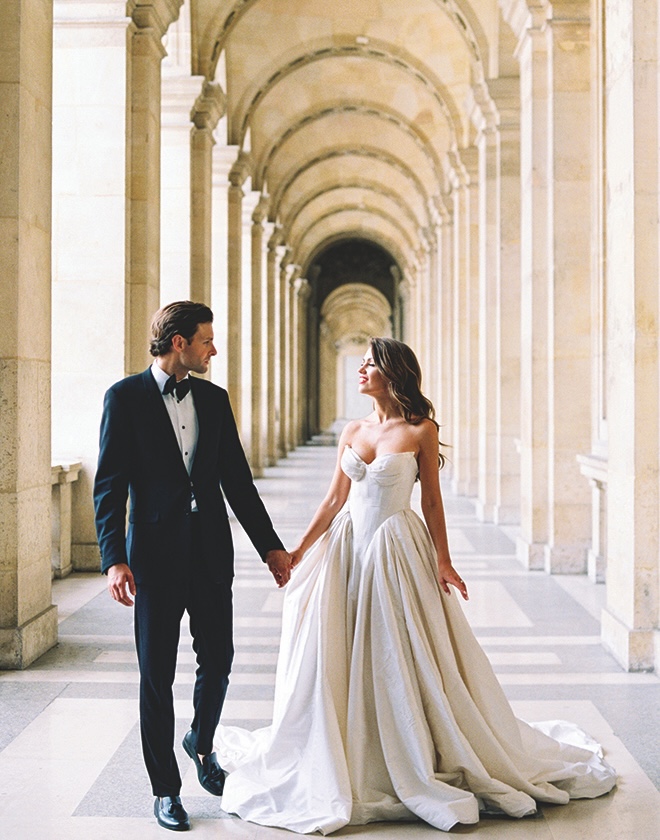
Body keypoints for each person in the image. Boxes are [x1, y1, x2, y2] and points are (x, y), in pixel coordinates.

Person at [214, 336, 616, 834]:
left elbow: (431, 504)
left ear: (393, 372)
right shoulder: (352, 428)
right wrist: (297, 551)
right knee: (339, 647)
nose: (361, 371)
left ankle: (406, 747)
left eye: (370, 365)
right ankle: (344, 743)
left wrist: (444, 562)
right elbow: (333, 499)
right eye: (359, 363)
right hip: (347, 550)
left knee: (399, 649)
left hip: (395, 548)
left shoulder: (422, 429)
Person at [93, 301, 291, 832]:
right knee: (156, 676)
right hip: (152, 558)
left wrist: (270, 547)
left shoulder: (213, 398)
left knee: (220, 659)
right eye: (206, 339)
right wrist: (114, 559)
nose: (213, 349)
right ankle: (166, 791)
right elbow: (109, 486)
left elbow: (238, 481)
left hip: (209, 552)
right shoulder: (124, 398)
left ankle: (201, 743)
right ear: (178, 342)